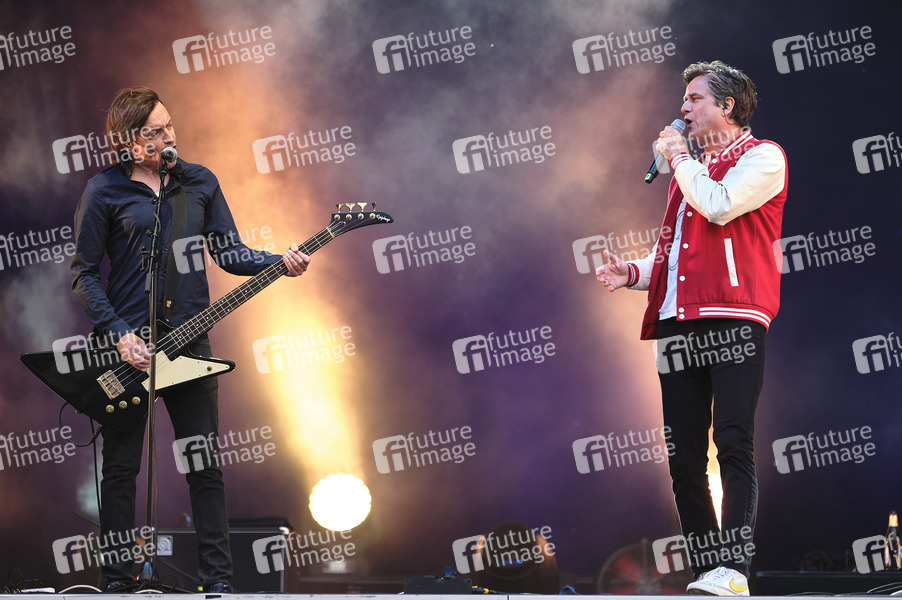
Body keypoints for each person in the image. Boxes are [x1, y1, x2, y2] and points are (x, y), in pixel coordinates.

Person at [70, 86, 310, 593]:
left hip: (190, 341)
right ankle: (117, 582)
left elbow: (229, 252)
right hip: (128, 349)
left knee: (204, 464)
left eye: (170, 126)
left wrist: (279, 262)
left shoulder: (199, 181)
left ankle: (217, 583)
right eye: (154, 132)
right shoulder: (103, 190)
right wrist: (119, 336)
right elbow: (84, 274)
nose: (168, 138)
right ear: (127, 140)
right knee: (120, 469)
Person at [596, 61, 787, 596]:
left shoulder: (762, 157)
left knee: (732, 442)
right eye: (684, 99)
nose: (683, 107)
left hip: (732, 316)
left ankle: (734, 570)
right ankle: (708, 570)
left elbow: (719, 207)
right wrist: (635, 273)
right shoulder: (691, 172)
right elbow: (679, 253)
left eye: (695, 98)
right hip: (676, 321)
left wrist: (680, 157)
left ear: (727, 106)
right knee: (683, 457)